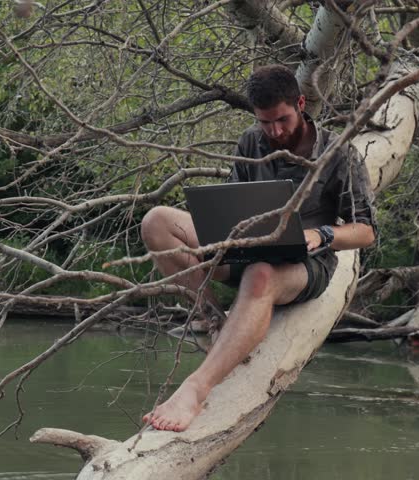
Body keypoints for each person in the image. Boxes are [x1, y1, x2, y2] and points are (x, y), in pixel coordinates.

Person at [140, 64, 376, 432]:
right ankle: (212, 318)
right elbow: (235, 201)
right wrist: (221, 238)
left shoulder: (338, 152)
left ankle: (195, 389)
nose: (274, 132)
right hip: (247, 244)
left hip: (305, 264)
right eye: (265, 123)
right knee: (156, 220)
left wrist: (323, 235)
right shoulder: (252, 140)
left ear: (300, 103)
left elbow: (366, 232)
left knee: (260, 274)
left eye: (281, 120)